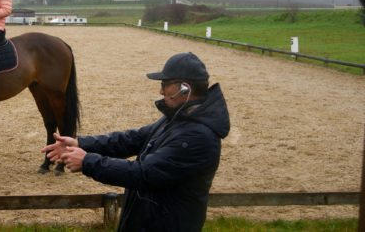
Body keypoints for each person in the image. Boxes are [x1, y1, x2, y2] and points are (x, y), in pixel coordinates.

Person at [42, 52, 230, 232]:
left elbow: (143, 173)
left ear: (185, 88)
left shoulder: (196, 137)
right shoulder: (178, 118)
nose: (161, 90)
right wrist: (81, 143)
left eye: (165, 84)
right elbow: (131, 139)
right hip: (150, 221)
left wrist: (87, 161)